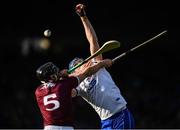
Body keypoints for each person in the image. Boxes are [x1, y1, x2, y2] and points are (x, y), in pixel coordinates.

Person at [70, 4, 135, 129]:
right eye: (77, 64)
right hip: (105, 122)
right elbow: (69, 93)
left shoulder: (96, 63)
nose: (82, 63)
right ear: (74, 72)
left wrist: (83, 18)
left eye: (82, 61)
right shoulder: (78, 85)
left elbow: (93, 40)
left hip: (120, 114)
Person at [35, 59, 112, 130]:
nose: (57, 72)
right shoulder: (65, 84)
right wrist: (101, 64)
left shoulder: (38, 91)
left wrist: (62, 76)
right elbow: (86, 73)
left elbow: (54, 85)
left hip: (48, 127)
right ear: (52, 77)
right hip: (66, 127)